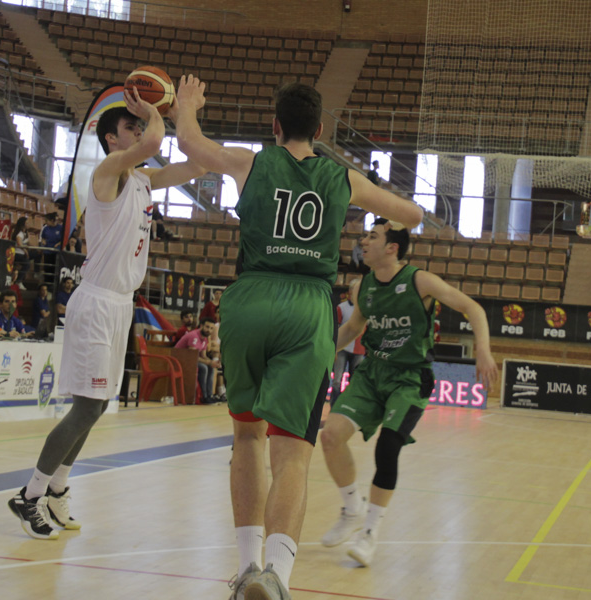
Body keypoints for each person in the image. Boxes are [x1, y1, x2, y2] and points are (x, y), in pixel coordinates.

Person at [173, 75, 424, 599]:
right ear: (321, 129)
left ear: (275, 125)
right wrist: (372, 208)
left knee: (247, 438)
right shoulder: (341, 176)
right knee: (292, 452)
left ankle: (246, 567)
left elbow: (191, 144)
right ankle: (278, 578)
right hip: (308, 308)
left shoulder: (252, 161)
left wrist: (188, 105)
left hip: (249, 300)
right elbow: (413, 215)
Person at [7, 88, 207, 540]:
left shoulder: (141, 180)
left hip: (121, 305)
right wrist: (156, 111)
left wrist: (186, 116)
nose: (138, 129)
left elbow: (198, 165)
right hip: (97, 301)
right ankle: (30, 495)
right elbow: (153, 145)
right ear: (112, 140)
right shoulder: (107, 173)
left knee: (97, 408)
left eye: (139, 123)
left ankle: (57, 489)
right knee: (85, 408)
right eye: (130, 126)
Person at [319, 219, 498, 568]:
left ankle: (369, 533)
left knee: (388, 447)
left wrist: (484, 349)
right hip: (372, 373)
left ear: (392, 248)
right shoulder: (364, 286)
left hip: (410, 377)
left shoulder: (419, 280)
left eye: (372, 236)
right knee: (330, 436)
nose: (362, 240)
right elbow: (354, 327)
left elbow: (472, 308)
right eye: (364, 235)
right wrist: (321, 352)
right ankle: (351, 506)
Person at [330, 288, 365, 405]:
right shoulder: (341, 307)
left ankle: (350, 407)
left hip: (359, 349)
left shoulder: (365, 308)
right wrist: (334, 348)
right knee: (337, 380)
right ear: (349, 293)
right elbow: (335, 327)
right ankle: (334, 407)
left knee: (355, 382)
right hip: (342, 348)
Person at [176, 317, 223, 403]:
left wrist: (213, 362)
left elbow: (203, 356)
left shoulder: (205, 338)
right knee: (203, 367)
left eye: (211, 328)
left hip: (191, 360)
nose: (209, 330)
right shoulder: (194, 335)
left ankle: (210, 395)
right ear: (201, 326)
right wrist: (209, 362)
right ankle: (204, 397)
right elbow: (192, 356)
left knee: (211, 367)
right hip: (180, 360)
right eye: (207, 327)